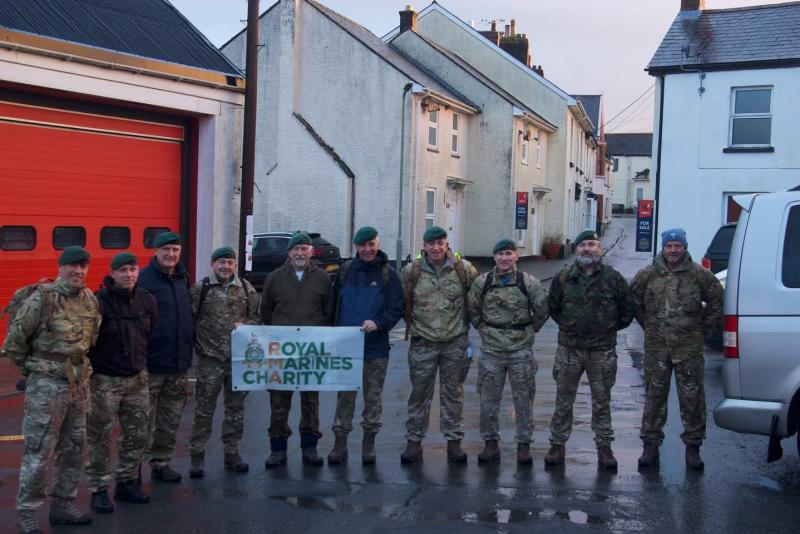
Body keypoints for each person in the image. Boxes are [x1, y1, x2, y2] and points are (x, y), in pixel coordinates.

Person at [3, 246, 101, 533]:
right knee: (39, 450)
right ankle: (27, 512)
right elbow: (14, 342)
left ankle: (62, 505)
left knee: (73, 448)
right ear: (61, 267)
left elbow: (92, 337)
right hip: (46, 387)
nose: (78, 271)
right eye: (72, 266)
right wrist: (36, 371)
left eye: (83, 266)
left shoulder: (90, 299)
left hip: (79, 385)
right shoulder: (42, 299)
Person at [630, 228, 724, 470]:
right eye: (669, 246)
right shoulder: (648, 274)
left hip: (689, 348)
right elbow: (632, 301)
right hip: (657, 348)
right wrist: (648, 325)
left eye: (677, 246)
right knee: (654, 398)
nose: (673, 250)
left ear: (684, 247)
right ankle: (651, 446)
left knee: (692, 399)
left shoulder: (699, 274)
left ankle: (693, 448)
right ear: (663, 248)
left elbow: (716, 298)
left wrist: (704, 329)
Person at [545, 230, 633, 470]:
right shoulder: (564, 277)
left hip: (601, 350)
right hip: (570, 349)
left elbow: (626, 310)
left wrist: (606, 329)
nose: (587, 249)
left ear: (599, 248)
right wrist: (570, 326)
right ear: (576, 250)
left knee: (602, 401)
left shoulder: (613, 278)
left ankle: (604, 448)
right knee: (564, 400)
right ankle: (557, 445)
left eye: (591, 244)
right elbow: (553, 307)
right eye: (582, 245)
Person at [400, 226, 479, 464]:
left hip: (455, 343)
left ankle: (454, 443)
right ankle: (414, 442)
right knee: (419, 395)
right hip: (423, 344)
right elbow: (404, 304)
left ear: (447, 244)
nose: (435, 248)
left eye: (440, 243)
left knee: (453, 394)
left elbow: (475, 301)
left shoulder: (463, 270)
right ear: (424, 246)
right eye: (430, 244)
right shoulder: (411, 271)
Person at [467, 239, 549, 465]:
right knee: (487, 402)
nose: (504, 258)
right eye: (500, 254)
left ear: (516, 256)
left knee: (523, 401)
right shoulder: (482, 283)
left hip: (520, 351)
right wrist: (484, 329)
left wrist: (530, 331)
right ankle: (490, 444)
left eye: (508, 253)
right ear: (494, 257)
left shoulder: (528, 282)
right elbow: (473, 309)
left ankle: (524, 445)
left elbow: (542, 309)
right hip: (492, 351)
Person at [327, 226, 404, 465]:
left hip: (375, 349)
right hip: (346, 349)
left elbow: (396, 308)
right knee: (344, 398)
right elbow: (332, 306)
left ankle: (368, 443)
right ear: (356, 247)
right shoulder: (345, 271)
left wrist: (379, 324)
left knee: (373, 398)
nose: (368, 249)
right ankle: (340, 443)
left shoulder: (388, 274)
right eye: (363, 245)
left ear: (378, 244)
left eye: (372, 244)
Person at [86, 252, 155, 513]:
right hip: (105, 381)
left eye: (133, 269)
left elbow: (150, 332)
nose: (129, 274)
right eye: (123, 270)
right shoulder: (98, 302)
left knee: (137, 435)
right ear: (113, 274)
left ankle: (126, 483)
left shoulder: (146, 300)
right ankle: (98, 489)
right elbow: (88, 340)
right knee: (100, 438)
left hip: (138, 379)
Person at [261, 232, 333, 467]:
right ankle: (278, 449)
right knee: (279, 402)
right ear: (289, 252)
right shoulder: (274, 278)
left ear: (311, 252)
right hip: (282, 351)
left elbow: (328, 313)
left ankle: (309, 448)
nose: (300, 253)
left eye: (304, 249)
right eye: (296, 249)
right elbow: (266, 313)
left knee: (311, 402)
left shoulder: (322, 278)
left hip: (311, 351)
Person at [189, 246, 260, 478]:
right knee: (204, 410)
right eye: (221, 263)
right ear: (213, 264)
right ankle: (197, 456)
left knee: (235, 409)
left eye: (230, 263)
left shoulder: (246, 289)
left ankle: (232, 453)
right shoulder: (201, 288)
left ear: (234, 265)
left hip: (237, 360)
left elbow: (257, 318)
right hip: (210, 359)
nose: (225, 267)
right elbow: (190, 318)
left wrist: (247, 325)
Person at [138, 231, 193, 482]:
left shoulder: (182, 277)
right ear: (156, 252)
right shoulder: (143, 279)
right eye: (166, 250)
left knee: (169, 420)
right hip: (150, 364)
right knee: (140, 422)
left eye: (175, 250)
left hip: (178, 364)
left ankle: (161, 463)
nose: (171, 254)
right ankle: (132, 470)